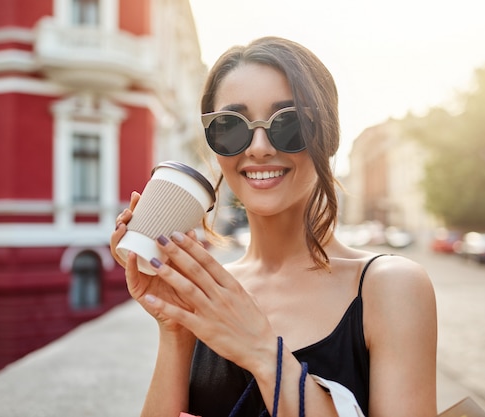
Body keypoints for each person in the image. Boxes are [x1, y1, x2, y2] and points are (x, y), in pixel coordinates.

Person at [110, 36, 437, 417]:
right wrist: (175, 327)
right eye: (231, 127)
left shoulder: (391, 287)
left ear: (327, 137)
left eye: (289, 123)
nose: (259, 147)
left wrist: (262, 352)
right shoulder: (206, 290)